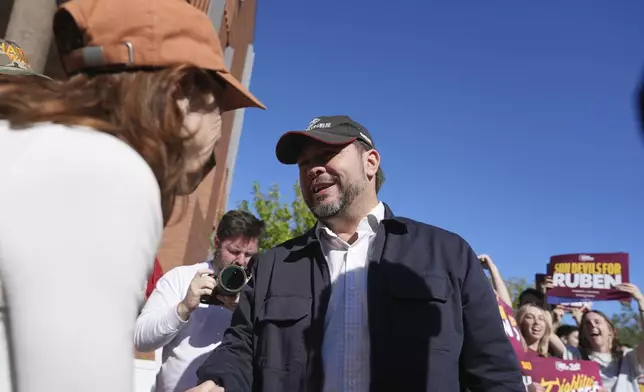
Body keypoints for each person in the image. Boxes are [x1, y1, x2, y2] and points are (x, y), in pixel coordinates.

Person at [0, 0, 264, 390]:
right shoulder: (112, 174)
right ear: (178, 89)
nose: (218, 123)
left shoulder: (34, 146)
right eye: (217, 102)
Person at [191, 115, 525, 391]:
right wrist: (216, 383)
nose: (311, 170)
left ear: (371, 162)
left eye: (324, 157)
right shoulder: (273, 265)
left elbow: (494, 373)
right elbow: (240, 349)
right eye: (303, 163)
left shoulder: (446, 254)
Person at [135, 210, 264, 392]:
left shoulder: (258, 291)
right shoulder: (180, 278)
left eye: (249, 254)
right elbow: (141, 339)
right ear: (217, 242)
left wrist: (244, 312)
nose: (241, 261)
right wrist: (183, 308)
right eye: (234, 251)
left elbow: (269, 352)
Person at [577, 283, 644, 391]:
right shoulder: (576, 357)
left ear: (611, 331)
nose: (593, 325)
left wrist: (641, 300)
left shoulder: (629, 357)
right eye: (587, 324)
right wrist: (546, 296)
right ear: (584, 333)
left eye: (597, 322)